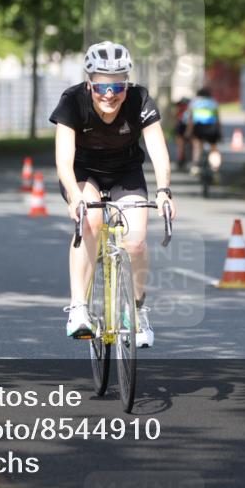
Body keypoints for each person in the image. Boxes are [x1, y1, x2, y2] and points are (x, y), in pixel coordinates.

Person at [49, 41, 175, 348]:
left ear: (127, 83)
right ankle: (79, 307)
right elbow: (63, 158)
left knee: (135, 240)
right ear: (89, 82)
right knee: (90, 221)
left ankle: (138, 310)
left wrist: (164, 191)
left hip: (125, 172)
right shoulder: (72, 101)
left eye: (118, 86)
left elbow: (158, 151)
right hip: (83, 173)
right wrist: (74, 195)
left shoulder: (139, 99)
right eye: (102, 86)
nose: (110, 94)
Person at [184, 87, 222, 176]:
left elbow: (191, 119)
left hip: (199, 126)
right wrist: (220, 131)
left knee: (197, 145)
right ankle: (215, 170)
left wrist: (188, 132)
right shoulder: (213, 102)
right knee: (213, 149)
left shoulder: (194, 102)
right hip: (212, 127)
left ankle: (195, 167)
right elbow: (218, 119)